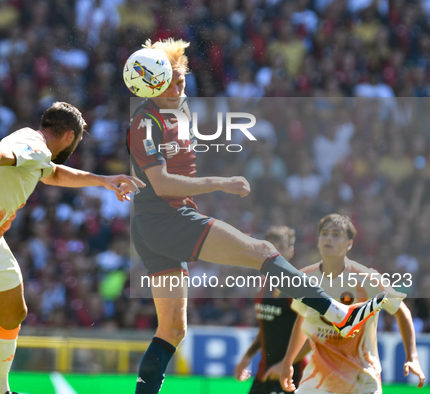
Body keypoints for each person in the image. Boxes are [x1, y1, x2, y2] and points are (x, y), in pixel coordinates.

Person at [127, 38, 388, 394]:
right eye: (169, 82)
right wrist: (222, 182)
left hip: (155, 228)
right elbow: (160, 184)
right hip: (167, 220)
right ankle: (334, 311)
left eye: (181, 80)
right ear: (151, 84)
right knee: (264, 252)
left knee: (172, 328)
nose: (177, 87)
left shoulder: (178, 109)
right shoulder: (144, 123)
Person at [0, 102, 143, 394]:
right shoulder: (31, 146)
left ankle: (0, 390)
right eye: (78, 140)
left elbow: (53, 173)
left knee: (13, 313)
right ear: (70, 136)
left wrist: (103, 180)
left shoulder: (34, 146)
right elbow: (9, 154)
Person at [279, 214, 425, 394]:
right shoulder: (305, 278)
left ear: (349, 243)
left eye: (336, 234)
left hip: (361, 380)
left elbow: (401, 311)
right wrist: (288, 362)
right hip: (316, 381)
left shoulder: (367, 278)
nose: (328, 238)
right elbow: (302, 320)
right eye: (324, 233)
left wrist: (412, 356)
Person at [234, 226, 309, 394]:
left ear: (291, 251)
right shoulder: (262, 286)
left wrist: (285, 364)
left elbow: (312, 335)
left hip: (291, 376)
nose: (276, 254)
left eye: (281, 248)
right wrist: (247, 356)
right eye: (271, 248)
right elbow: (266, 327)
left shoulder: (296, 287)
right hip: (265, 373)